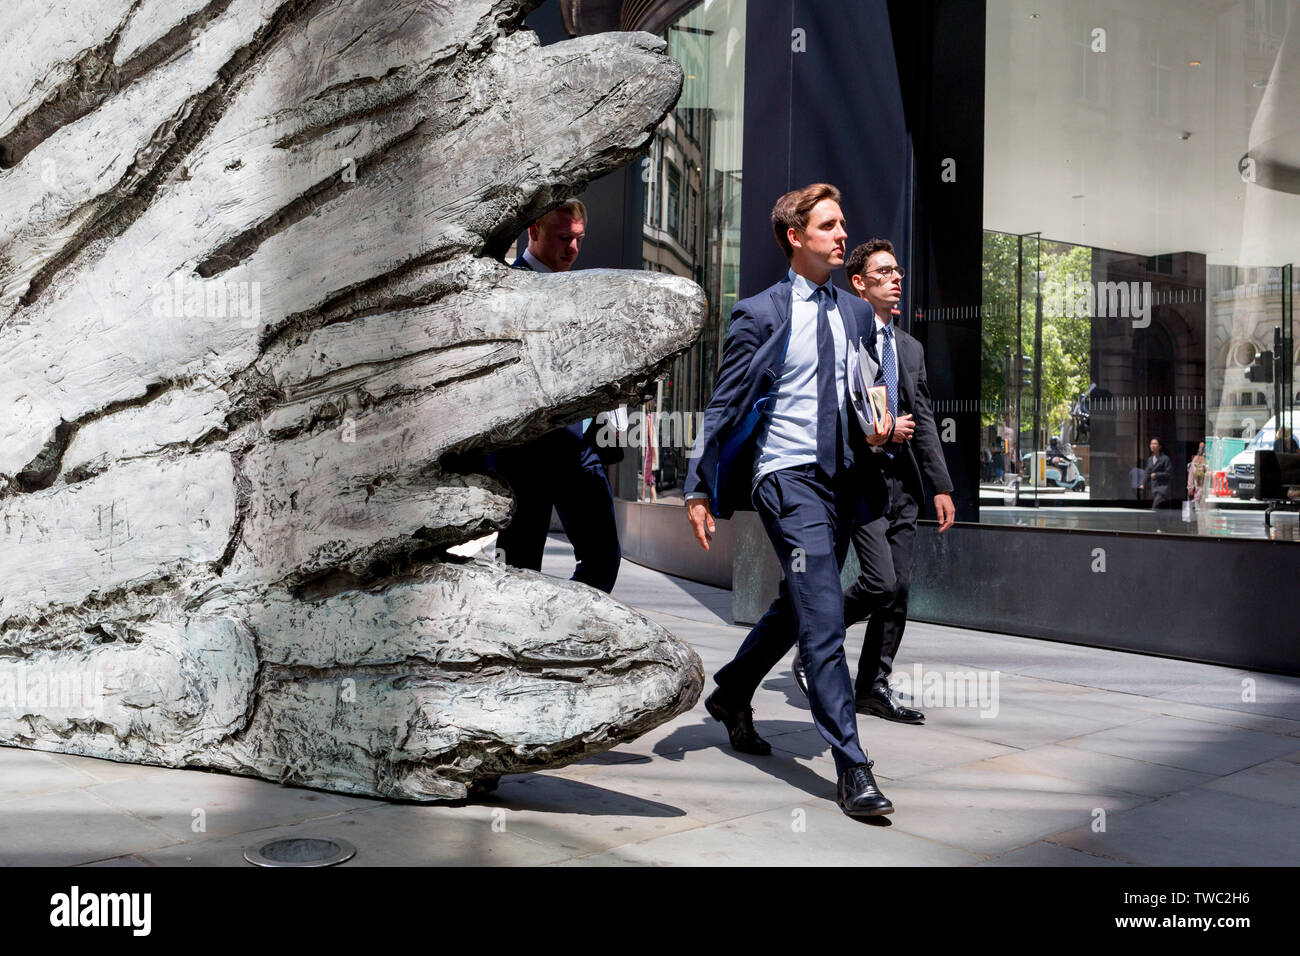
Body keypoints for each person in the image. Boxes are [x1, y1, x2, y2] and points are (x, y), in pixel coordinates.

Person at [683, 183, 895, 818]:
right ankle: (853, 768)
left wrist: (878, 420)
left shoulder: (857, 313)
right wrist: (698, 485)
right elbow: (723, 403)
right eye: (828, 226)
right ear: (794, 237)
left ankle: (731, 692)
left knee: (796, 604)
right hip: (785, 477)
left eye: (843, 224)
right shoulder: (762, 313)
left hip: (841, 478)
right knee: (824, 615)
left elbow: (867, 388)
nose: (841, 236)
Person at [789, 239, 954, 724]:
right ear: (858, 283)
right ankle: (817, 640)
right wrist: (875, 432)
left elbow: (922, 419)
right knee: (880, 581)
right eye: (883, 273)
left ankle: (873, 686)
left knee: (899, 588)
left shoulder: (910, 348)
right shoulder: (845, 336)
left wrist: (941, 485)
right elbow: (835, 410)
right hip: (859, 478)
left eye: (898, 271)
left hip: (903, 484)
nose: (896, 279)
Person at [491, 201, 622, 593]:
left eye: (579, 239)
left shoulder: (579, 290)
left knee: (603, 558)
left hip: (576, 449)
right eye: (564, 238)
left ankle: (567, 632)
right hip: (522, 455)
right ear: (534, 231)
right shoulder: (506, 290)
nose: (573, 249)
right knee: (517, 568)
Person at [1141, 436, 1172, 510]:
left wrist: (1156, 475)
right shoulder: (1150, 459)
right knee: (1160, 510)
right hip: (1154, 487)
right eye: (1151, 444)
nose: (1152, 446)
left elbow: (1169, 473)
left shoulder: (1165, 459)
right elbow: (1147, 472)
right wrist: (1142, 484)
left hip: (1163, 488)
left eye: (1155, 444)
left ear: (1160, 446)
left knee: (1154, 508)